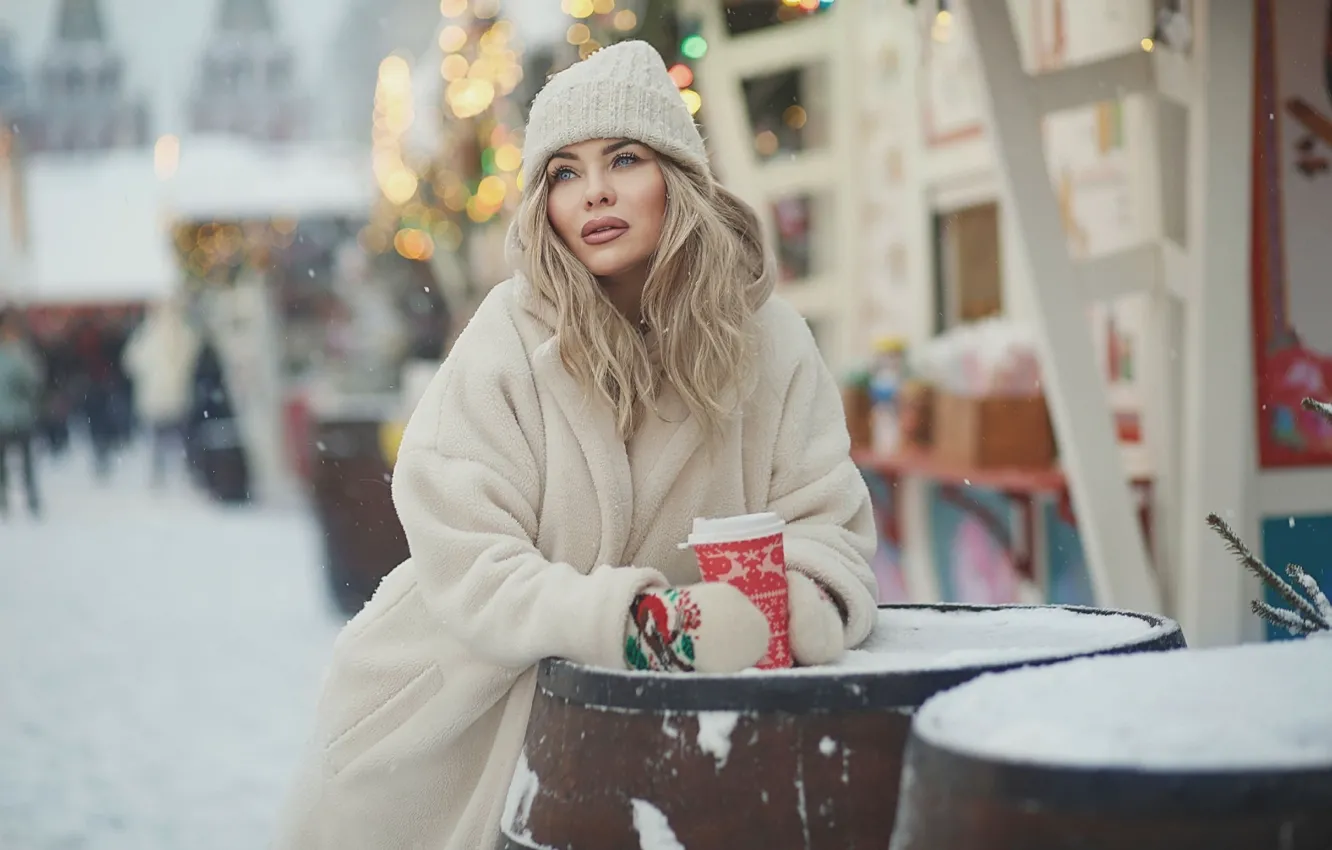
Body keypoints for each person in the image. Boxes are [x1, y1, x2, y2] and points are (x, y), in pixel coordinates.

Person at [276, 41, 878, 850]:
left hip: (676, 745)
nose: (593, 192)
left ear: (677, 174)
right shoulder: (508, 335)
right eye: (564, 172)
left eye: (623, 159)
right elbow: (468, 551)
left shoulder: (769, 344)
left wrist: (783, 612)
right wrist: (648, 626)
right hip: (453, 723)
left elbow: (828, 527)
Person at [121, 297, 203, 486]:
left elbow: (130, 361)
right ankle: (186, 473)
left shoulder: (147, 333)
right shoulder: (183, 331)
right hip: (176, 394)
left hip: (156, 396)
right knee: (183, 437)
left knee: (161, 440)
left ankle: (161, 476)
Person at [0, 310, 44, 518]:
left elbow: (34, 380)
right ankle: (8, 501)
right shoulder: (17, 354)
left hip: (19, 417)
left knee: (25, 463)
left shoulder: (22, 352)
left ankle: (30, 500)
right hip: (9, 416)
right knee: (10, 465)